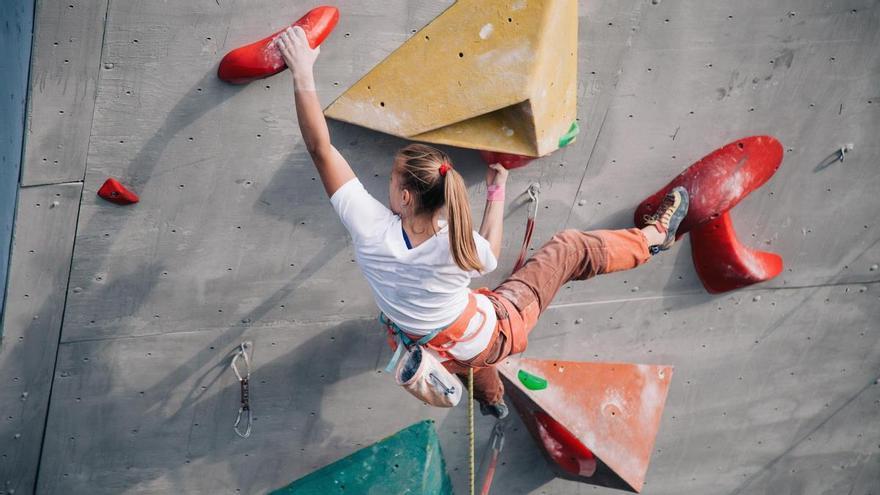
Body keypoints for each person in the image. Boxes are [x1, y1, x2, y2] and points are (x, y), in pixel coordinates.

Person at [275, 27, 689, 418]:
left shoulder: (371, 230)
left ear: (404, 197)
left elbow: (320, 147)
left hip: (442, 350)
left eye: (391, 179)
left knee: (473, 361)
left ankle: (492, 402)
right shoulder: (456, 244)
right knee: (570, 248)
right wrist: (496, 190)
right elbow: (488, 252)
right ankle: (651, 238)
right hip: (489, 334)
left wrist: (302, 69)